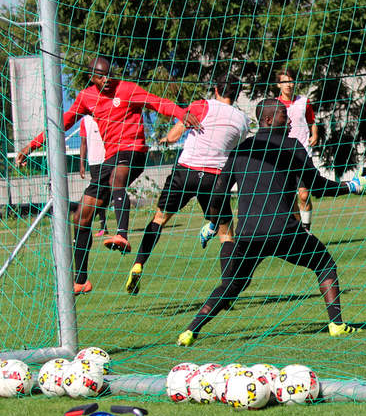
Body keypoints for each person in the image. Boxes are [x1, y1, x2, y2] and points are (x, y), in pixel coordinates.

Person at [175, 97, 366, 346]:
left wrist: (215, 223)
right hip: (284, 231)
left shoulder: (241, 149)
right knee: (324, 264)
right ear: (268, 119)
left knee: (232, 284)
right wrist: (353, 185)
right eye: (284, 114)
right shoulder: (292, 146)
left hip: (248, 236)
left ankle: (190, 331)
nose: (290, 119)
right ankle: (336, 324)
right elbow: (319, 188)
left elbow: (218, 192)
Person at [15, 56, 199, 295]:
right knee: (82, 215)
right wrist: (32, 145)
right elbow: (65, 121)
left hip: (134, 151)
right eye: (101, 76)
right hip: (109, 159)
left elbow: (158, 103)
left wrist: (181, 114)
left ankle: (122, 234)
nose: (107, 79)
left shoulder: (127, 89)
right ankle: (81, 280)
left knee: (116, 177)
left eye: (109, 74)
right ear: (92, 77)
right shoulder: (86, 97)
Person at [125, 77, 251, 295]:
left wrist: (166, 139)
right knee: (226, 233)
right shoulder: (243, 121)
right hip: (215, 178)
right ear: (238, 94)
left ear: (216, 89)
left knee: (159, 219)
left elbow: (174, 136)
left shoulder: (202, 106)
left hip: (186, 172)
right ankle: (228, 288)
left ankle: (138, 264)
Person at [275, 68, 319, 232]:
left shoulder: (304, 101)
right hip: (283, 156)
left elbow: (312, 121)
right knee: (289, 199)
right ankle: (299, 231)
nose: (288, 85)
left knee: (304, 195)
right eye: (284, 82)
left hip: (303, 154)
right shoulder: (275, 104)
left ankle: (307, 230)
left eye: (291, 81)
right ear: (279, 85)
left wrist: (314, 134)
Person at [78, 115, 109, 238]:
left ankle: (122, 230)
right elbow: (83, 143)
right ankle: (103, 226)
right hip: (94, 162)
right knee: (98, 195)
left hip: (108, 159)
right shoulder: (85, 120)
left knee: (115, 190)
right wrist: (81, 164)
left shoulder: (105, 113)